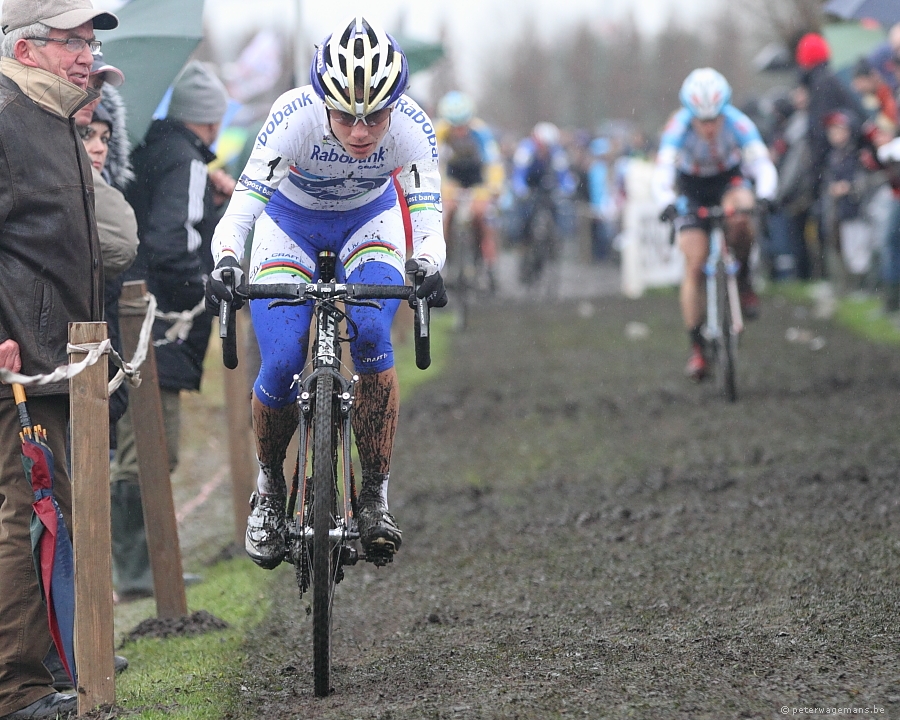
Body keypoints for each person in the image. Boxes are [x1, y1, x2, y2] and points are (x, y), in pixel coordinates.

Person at [206, 15, 447, 569]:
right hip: (288, 227)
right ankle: (269, 488)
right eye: (345, 116)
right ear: (323, 102)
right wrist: (224, 263)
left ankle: (374, 497)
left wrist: (429, 264)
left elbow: (428, 217)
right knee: (284, 356)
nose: (361, 133)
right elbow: (241, 211)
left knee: (371, 337)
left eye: (375, 117)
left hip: (370, 225)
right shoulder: (292, 116)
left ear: (396, 105)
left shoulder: (413, 126)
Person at [0, 0, 118, 716]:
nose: (86, 54)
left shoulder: (53, 118)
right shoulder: (8, 119)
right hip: (21, 362)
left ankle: (57, 665)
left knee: (54, 516)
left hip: (59, 361)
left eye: (88, 41)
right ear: (26, 46)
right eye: (72, 40)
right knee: (25, 519)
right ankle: (19, 691)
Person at [113, 61, 233, 600]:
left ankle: (143, 565)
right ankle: (138, 570)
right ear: (209, 118)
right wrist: (203, 292)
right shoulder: (185, 161)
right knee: (152, 448)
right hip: (157, 320)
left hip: (133, 310)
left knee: (147, 446)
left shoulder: (151, 149)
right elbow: (173, 242)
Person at [653, 67, 777, 381]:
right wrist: (665, 201)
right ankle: (697, 348)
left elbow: (762, 164)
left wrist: (765, 196)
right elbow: (663, 168)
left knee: (741, 216)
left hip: (728, 181)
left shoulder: (738, 122)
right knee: (694, 263)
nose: (709, 127)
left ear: (724, 112)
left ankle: (745, 277)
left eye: (714, 119)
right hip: (692, 187)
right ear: (690, 114)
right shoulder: (677, 126)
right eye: (702, 120)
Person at [435, 90, 504, 289]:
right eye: (453, 125)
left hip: (477, 180)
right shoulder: (439, 132)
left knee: (483, 217)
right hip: (452, 179)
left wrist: (495, 186)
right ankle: (443, 264)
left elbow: (494, 162)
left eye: (462, 124)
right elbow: (433, 162)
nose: (458, 130)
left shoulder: (480, 132)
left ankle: (489, 266)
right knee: (444, 215)